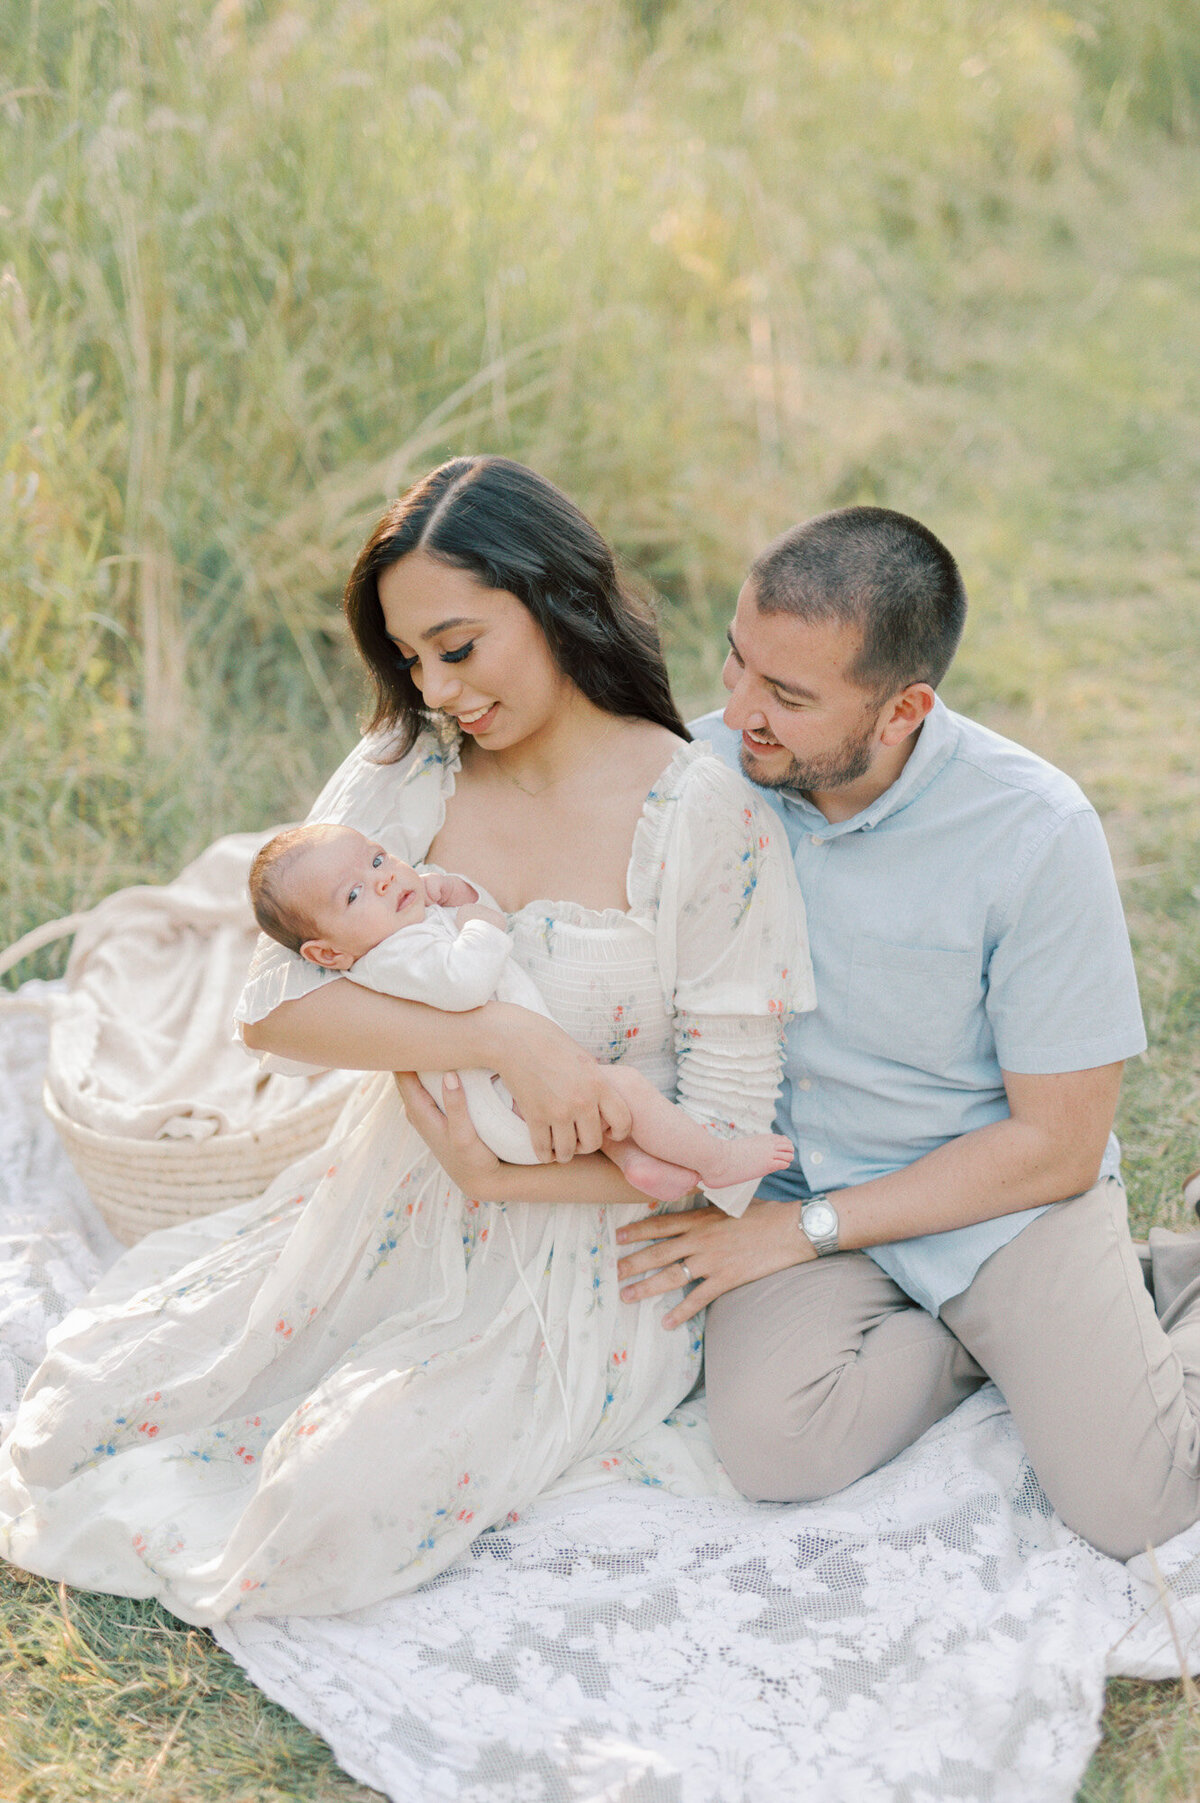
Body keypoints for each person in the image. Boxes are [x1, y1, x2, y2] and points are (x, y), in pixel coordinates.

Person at [0, 456, 811, 1624]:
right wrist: (498, 1036)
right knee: (92, 1411)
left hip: (592, 1249)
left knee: (332, 1502)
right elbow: (277, 1007)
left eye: (459, 646)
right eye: (411, 659)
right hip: (389, 1202)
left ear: (553, 598)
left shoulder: (704, 818)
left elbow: (731, 1140)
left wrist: (501, 1171)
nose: (436, 688)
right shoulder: (408, 770)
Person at [612, 503, 1200, 1562]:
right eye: (737, 664)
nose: (738, 710)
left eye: (787, 696)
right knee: (774, 1447)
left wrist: (797, 1235)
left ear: (903, 710)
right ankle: (997, 1344)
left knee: (1137, 1503)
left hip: (998, 1197)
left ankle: (1183, 1280)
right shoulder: (692, 779)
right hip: (797, 1181)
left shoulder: (1036, 829)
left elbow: (1057, 1145)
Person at [247, 821, 794, 1201]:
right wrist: (479, 917)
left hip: (510, 1104)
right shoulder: (389, 959)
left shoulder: (397, 930)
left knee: (603, 1105)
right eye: (354, 894)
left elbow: (459, 905)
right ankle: (716, 1162)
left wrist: (451, 889)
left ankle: (634, 1160)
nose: (386, 877)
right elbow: (466, 981)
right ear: (327, 955)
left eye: (376, 858)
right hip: (503, 1111)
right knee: (622, 1087)